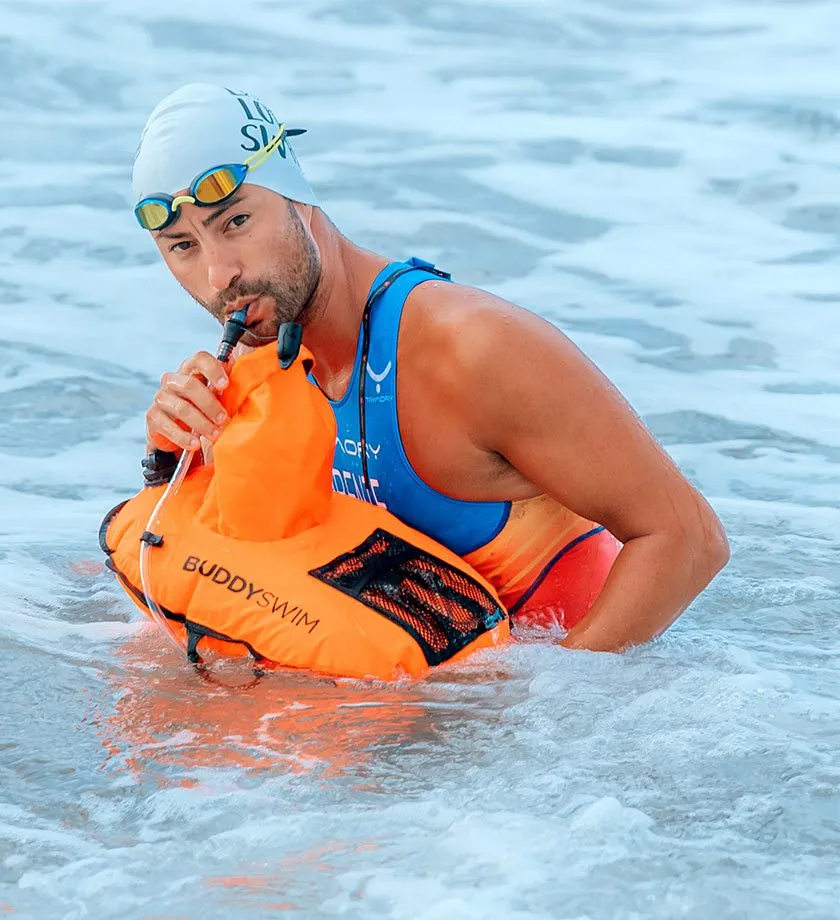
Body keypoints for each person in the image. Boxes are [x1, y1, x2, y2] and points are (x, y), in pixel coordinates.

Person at [131, 83, 729, 653]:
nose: (219, 275)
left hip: (573, 692)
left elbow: (689, 539)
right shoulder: (259, 373)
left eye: (236, 222)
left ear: (298, 198)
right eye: (183, 246)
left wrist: (541, 705)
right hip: (426, 700)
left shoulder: (469, 348)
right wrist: (171, 460)